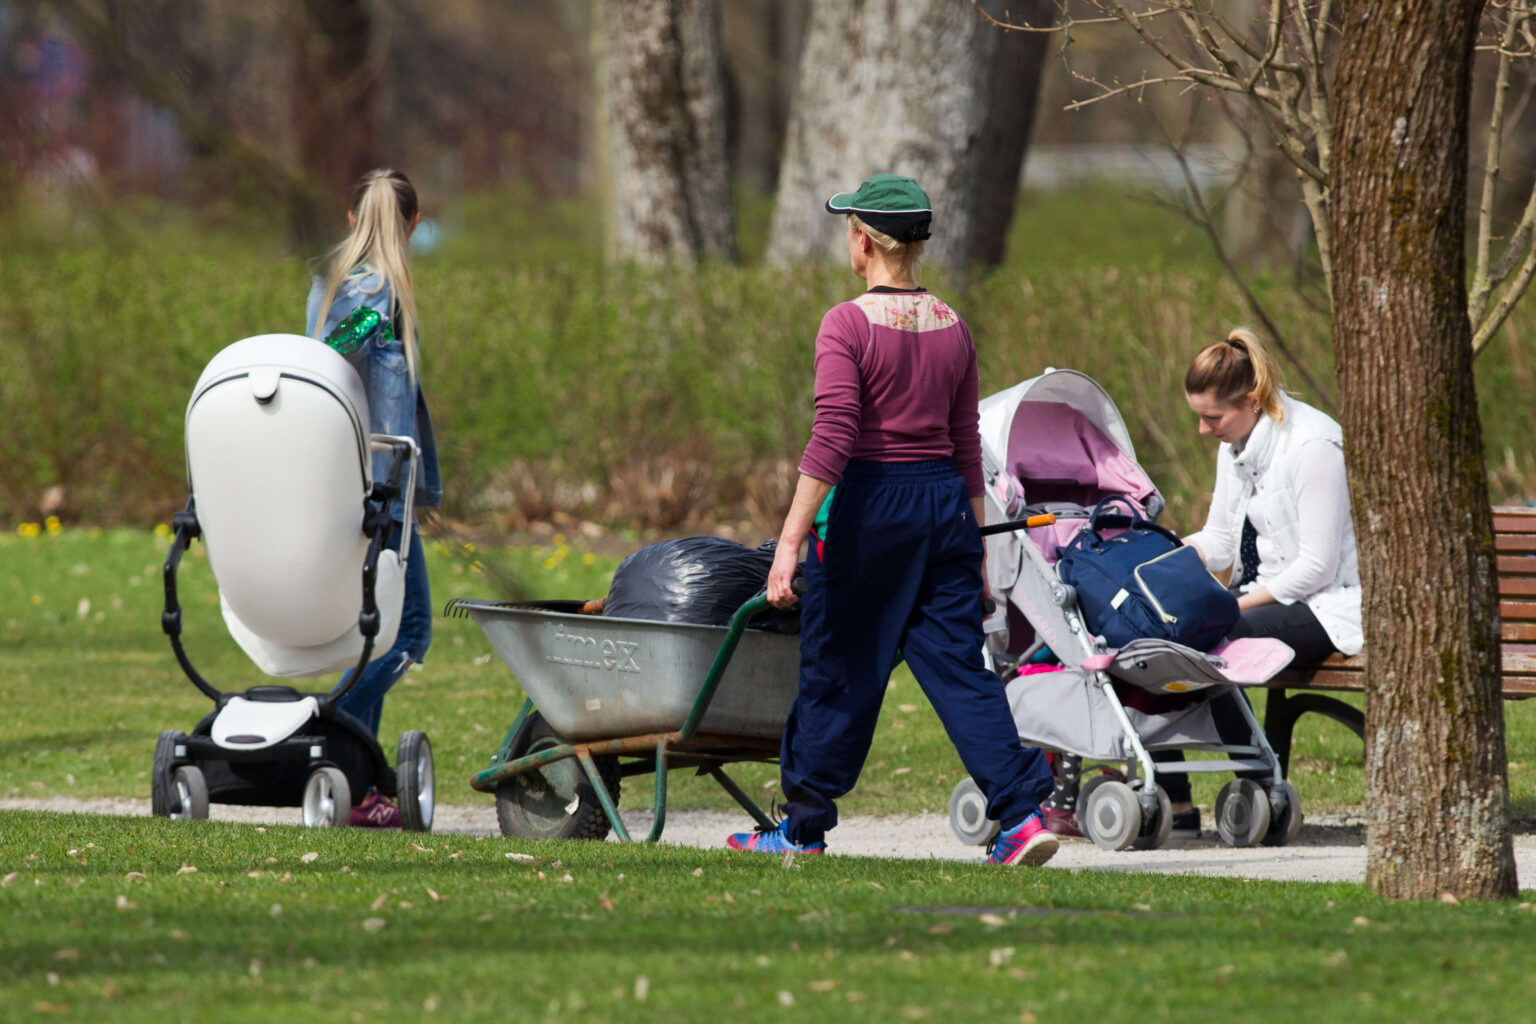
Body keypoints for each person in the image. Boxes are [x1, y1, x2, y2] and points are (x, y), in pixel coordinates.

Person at [724, 174, 1058, 866]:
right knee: (961, 671)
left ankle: (803, 829)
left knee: (838, 667)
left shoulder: (845, 325)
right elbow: (965, 444)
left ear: (863, 241)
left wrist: (788, 543)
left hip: (871, 510)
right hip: (945, 509)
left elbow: (833, 437)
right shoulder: (954, 327)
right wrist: (977, 552)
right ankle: (1023, 818)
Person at [1158, 327, 1362, 835]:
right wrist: (1159, 558)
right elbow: (1221, 540)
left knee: (1207, 637)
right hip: (1268, 593)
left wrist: (1232, 607)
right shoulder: (1236, 444)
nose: (1203, 430)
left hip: (1328, 603)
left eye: (1212, 418)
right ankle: (1175, 801)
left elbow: (1316, 567)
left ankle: (1262, 787)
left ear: (1252, 401)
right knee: (1154, 634)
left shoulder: (1314, 445)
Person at [305, 168, 442, 828]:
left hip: (350, 483)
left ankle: (357, 789)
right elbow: (332, 359)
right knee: (407, 631)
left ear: (353, 218)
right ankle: (330, 735)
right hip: (380, 492)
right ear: (414, 223)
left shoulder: (329, 283)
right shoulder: (376, 294)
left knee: (382, 633)